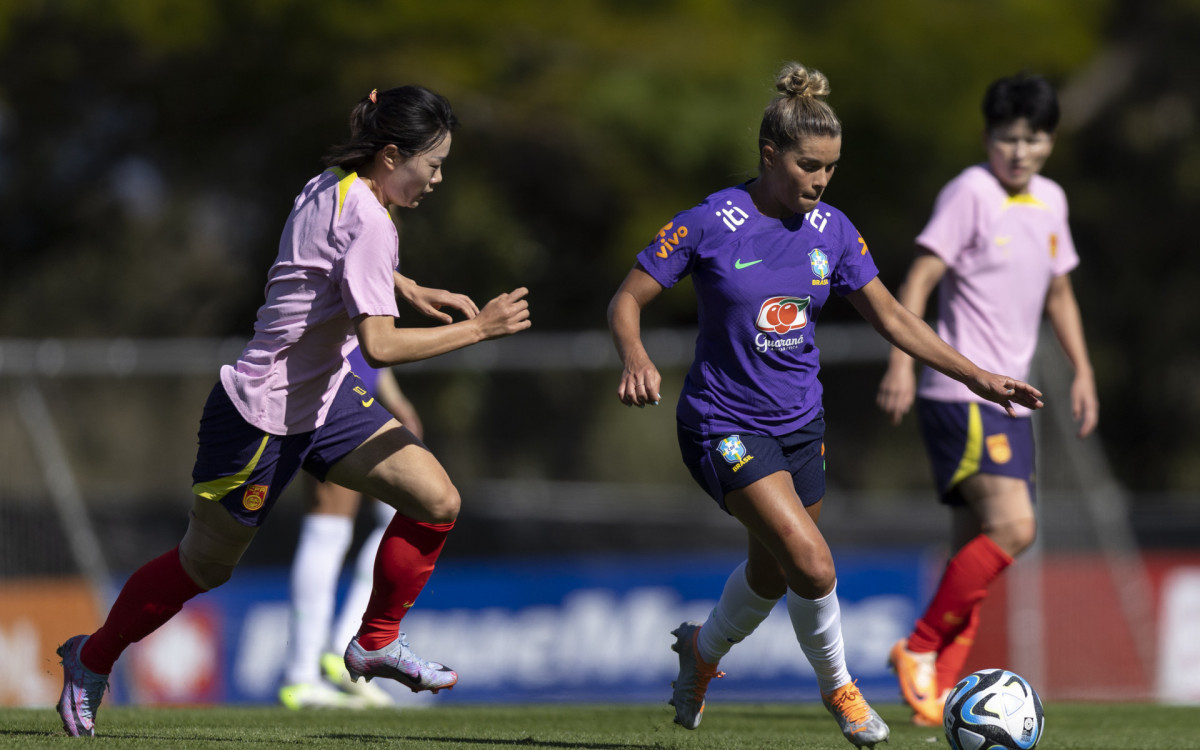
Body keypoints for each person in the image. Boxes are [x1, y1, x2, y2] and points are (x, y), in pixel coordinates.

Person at [55, 84, 531, 737]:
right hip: (261, 415)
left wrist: (404, 283)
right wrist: (483, 329)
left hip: (327, 396)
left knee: (436, 499)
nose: (439, 177)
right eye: (434, 162)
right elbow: (381, 344)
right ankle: (91, 658)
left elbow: (326, 256)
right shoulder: (368, 217)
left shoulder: (332, 180)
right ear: (392, 155)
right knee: (203, 567)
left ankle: (374, 641)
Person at [607, 62, 1044, 749]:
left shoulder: (833, 230)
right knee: (813, 564)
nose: (821, 181)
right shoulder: (711, 222)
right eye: (810, 166)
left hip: (800, 426)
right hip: (722, 423)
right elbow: (627, 297)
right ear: (769, 154)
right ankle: (841, 689)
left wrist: (979, 377)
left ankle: (699, 653)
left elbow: (895, 318)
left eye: (832, 169)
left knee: (771, 572)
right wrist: (635, 355)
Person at [876, 72, 1098, 727]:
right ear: (987, 137)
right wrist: (900, 361)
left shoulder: (1051, 202)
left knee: (975, 544)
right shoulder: (970, 192)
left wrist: (1082, 371)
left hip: (1013, 399)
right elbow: (917, 278)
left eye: (1033, 140)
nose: (1019, 152)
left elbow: (1060, 293)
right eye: (1008, 139)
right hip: (961, 389)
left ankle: (938, 693)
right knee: (1015, 528)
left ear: (1050, 143)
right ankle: (916, 650)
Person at [278, 345, 422, 710]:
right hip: (332, 391)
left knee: (394, 517)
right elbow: (371, 335)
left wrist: (393, 396)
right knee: (328, 527)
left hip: (353, 389)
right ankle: (304, 674)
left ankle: (340, 648)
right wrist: (475, 330)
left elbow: (366, 339)